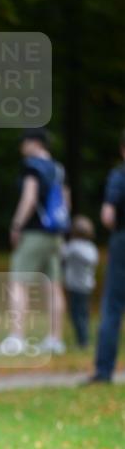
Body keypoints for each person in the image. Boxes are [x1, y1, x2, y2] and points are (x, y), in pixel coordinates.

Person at [0, 129, 69, 356]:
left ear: (34, 143)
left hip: (34, 232)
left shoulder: (32, 166)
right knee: (53, 285)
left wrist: (17, 225)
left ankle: (16, 338)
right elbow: (65, 200)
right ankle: (55, 339)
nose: (21, 147)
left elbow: (29, 198)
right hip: (55, 232)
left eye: (24, 142)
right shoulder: (58, 168)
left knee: (19, 283)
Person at [85, 130, 125, 383]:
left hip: (122, 240)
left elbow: (108, 216)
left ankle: (103, 371)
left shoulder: (119, 176)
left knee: (112, 306)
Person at [62, 215, 98, 348]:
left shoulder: (73, 247)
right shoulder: (91, 248)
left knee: (76, 314)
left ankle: (82, 341)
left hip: (75, 286)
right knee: (84, 313)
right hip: (88, 286)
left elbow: (62, 254)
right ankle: (83, 338)